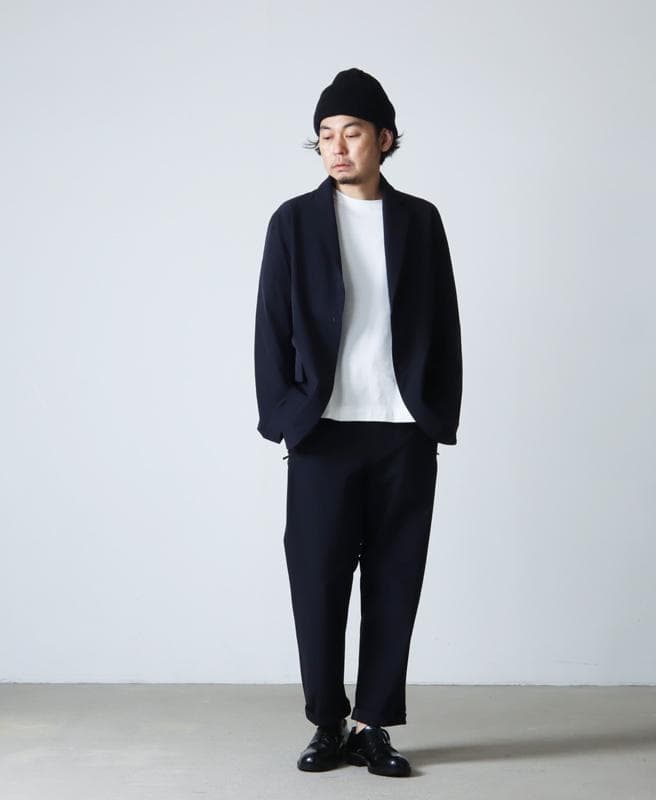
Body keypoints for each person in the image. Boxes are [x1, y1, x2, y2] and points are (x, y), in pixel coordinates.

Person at [253, 67, 463, 778]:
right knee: (317, 581)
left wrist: (436, 415)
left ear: (385, 139)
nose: (336, 148)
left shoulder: (420, 221)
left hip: (403, 431)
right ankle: (327, 722)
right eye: (324, 136)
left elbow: (445, 325)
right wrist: (288, 419)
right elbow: (270, 330)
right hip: (324, 431)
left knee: (395, 581)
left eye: (351, 133)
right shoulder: (293, 222)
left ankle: (373, 726)